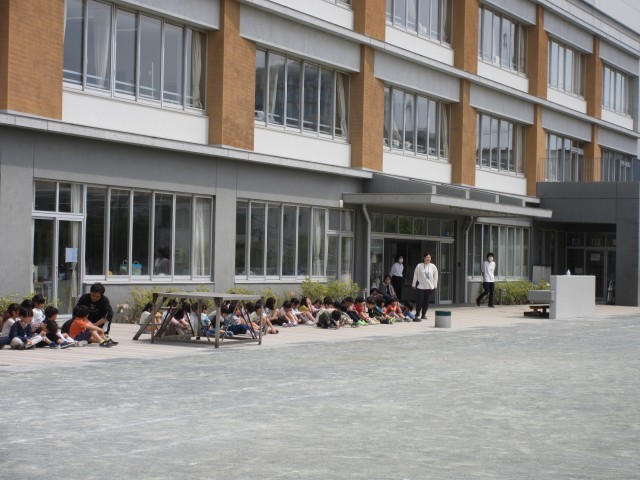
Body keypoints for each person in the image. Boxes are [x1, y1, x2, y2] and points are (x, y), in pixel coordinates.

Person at [412, 253, 439, 321]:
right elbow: (415, 275)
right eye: (427, 257)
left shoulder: (433, 266)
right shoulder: (419, 266)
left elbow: (436, 276)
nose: (428, 258)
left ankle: (423, 314)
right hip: (421, 287)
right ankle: (417, 313)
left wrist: (435, 285)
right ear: (424, 258)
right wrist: (413, 284)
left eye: (429, 257)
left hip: (429, 287)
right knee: (419, 301)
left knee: (426, 301)